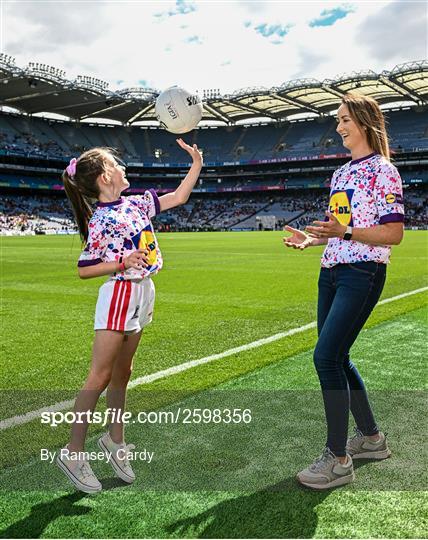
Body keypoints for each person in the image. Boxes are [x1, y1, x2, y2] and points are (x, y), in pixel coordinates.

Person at [57, 140, 202, 493]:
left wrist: (196, 164)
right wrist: (121, 262)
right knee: (101, 375)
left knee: (124, 372)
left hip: (142, 290)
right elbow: (84, 268)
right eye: (117, 164)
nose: (124, 167)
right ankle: (73, 452)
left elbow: (178, 197)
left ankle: (114, 441)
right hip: (120, 292)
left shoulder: (136, 202)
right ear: (106, 176)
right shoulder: (102, 220)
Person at [283, 92, 404, 490]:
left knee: (326, 357)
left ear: (365, 122)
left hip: (362, 271)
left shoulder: (383, 171)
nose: (338, 127)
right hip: (332, 270)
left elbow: (393, 233)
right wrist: (312, 239)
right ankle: (371, 438)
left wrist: (345, 232)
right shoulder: (341, 174)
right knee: (337, 356)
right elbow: (339, 228)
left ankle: (337, 458)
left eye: (344, 119)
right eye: (337, 120)